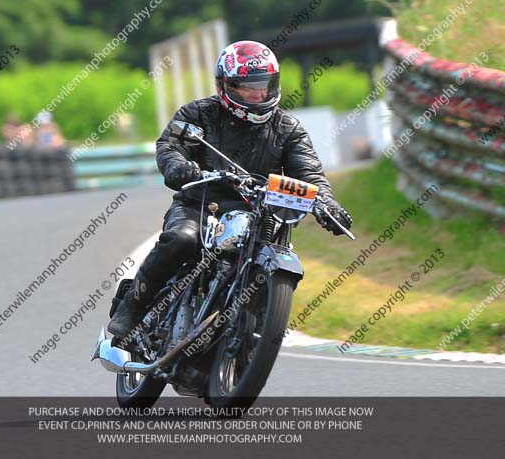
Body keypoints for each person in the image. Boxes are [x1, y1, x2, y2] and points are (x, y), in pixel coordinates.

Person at [108, 40, 353, 338]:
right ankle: (132, 306)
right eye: (248, 86)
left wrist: (326, 203)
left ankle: (250, 331)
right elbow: (170, 145)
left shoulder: (288, 128)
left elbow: (310, 174)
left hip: (260, 215)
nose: (258, 93)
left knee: (271, 260)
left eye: (265, 84)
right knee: (181, 240)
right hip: (201, 205)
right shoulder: (199, 114)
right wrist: (179, 167)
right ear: (226, 85)